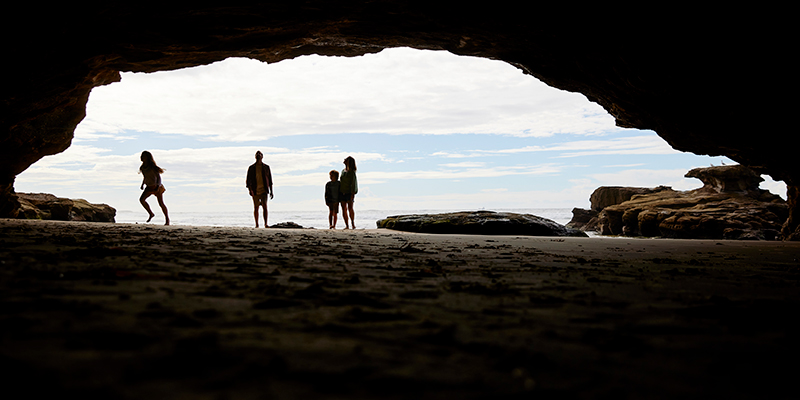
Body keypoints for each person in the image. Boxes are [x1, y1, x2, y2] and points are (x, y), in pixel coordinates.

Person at [138, 150, 170, 225]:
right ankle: (151, 213)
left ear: (147, 158)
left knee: (161, 204)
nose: (141, 158)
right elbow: (145, 177)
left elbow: (158, 177)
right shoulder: (142, 167)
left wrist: (158, 186)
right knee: (142, 200)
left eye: (143, 156)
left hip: (156, 187)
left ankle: (167, 220)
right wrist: (142, 184)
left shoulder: (152, 166)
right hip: (148, 187)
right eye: (141, 156)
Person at [246, 150, 273, 228]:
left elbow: (270, 180)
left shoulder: (266, 167)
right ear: (255, 157)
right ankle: (257, 224)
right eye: (257, 154)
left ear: (262, 156)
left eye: (260, 154)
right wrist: (250, 190)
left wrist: (271, 191)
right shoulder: (251, 168)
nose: (258, 155)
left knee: (265, 206)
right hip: (255, 190)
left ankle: (265, 224)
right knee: (256, 207)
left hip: (264, 190)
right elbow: (248, 180)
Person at [339, 156, 358, 229]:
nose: (344, 160)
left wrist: (353, 193)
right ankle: (347, 225)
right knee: (344, 209)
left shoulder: (352, 172)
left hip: (349, 192)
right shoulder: (343, 171)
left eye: (345, 159)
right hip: (342, 192)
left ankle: (353, 223)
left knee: (350, 208)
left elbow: (353, 183)